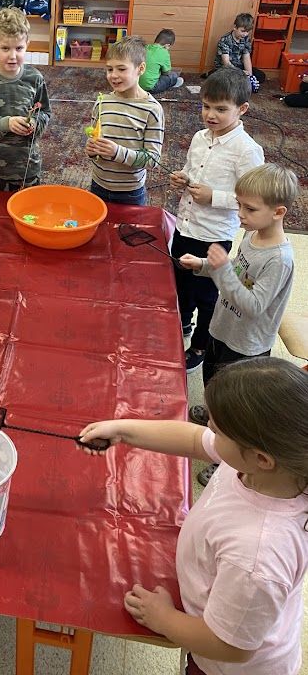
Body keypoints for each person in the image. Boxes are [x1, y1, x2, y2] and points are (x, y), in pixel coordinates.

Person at [79, 356, 308, 675]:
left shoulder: (256, 556)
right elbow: (193, 439)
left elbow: (230, 646)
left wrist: (163, 619)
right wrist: (123, 430)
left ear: (261, 459)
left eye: (218, 431)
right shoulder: (268, 468)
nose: (209, 431)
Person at [179, 162, 297, 484]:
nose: (240, 213)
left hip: (245, 346)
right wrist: (203, 265)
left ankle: (227, 459)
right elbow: (237, 271)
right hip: (223, 329)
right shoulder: (253, 234)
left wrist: (222, 271)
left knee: (237, 407)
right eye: (239, 204)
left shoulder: (279, 259)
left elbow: (254, 306)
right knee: (214, 382)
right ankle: (214, 414)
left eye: (249, 208)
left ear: (278, 212)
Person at [169, 69, 264, 372]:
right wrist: (184, 178)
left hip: (213, 235)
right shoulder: (199, 137)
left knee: (207, 295)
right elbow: (193, 171)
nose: (210, 114)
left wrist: (215, 197)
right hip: (185, 225)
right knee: (180, 282)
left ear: (242, 109)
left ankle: (200, 345)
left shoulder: (247, 150)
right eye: (206, 106)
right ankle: (183, 322)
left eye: (221, 109)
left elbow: (255, 201)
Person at [0, 6, 51, 191]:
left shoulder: (35, 78)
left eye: (19, 48)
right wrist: (6, 124)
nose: (13, 56)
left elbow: (45, 112)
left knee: (28, 208)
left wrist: (34, 123)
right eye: (5, 48)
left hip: (27, 168)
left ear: (27, 44)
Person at [85, 35, 165, 206]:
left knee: (127, 224)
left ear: (141, 68)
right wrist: (92, 149)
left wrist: (117, 152)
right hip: (98, 184)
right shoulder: (102, 101)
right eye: (109, 69)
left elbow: (152, 159)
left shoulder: (152, 110)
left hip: (130, 192)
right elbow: (95, 139)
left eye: (121, 69)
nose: (113, 75)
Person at [213, 13, 265, 92]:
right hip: (226, 68)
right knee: (229, 82)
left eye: (247, 31)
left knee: (260, 76)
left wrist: (249, 76)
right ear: (235, 27)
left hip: (239, 67)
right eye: (243, 31)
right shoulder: (225, 40)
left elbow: (246, 57)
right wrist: (240, 73)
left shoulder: (245, 38)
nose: (245, 34)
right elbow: (226, 63)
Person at [140, 29, 184, 95]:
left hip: (137, 85)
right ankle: (173, 83)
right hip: (151, 88)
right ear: (167, 45)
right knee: (173, 75)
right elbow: (166, 72)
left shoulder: (145, 47)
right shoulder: (164, 52)